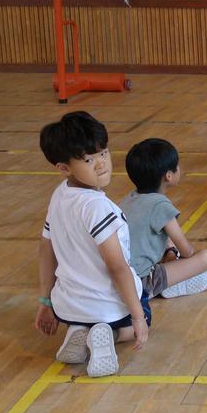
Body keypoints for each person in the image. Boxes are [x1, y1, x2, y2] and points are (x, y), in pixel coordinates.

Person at [34, 112, 148, 378]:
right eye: (88, 159)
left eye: (103, 153)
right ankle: (109, 333)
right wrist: (138, 316)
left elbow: (46, 248)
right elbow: (117, 266)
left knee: (85, 313)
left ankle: (78, 330)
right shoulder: (98, 208)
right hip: (107, 307)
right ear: (64, 167)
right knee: (143, 314)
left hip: (69, 306)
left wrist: (45, 300)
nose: (101, 164)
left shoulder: (60, 195)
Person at [120, 138, 207, 299]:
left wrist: (170, 252)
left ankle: (169, 277)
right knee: (206, 258)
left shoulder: (129, 199)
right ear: (169, 176)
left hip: (120, 278)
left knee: (166, 240)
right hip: (139, 283)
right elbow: (187, 251)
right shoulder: (160, 205)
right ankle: (169, 284)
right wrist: (180, 262)